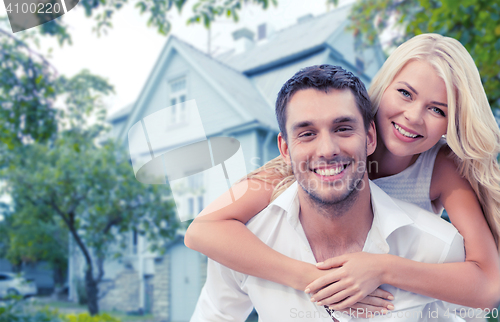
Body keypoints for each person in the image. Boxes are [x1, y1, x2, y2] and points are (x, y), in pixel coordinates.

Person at [185, 34, 500, 311]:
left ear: (452, 123)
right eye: (405, 93)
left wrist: (382, 269)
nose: (413, 116)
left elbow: (487, 285)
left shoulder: (441, 167)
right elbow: (203, 229)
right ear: (383, 87)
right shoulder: (315, 158)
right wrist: (314, 279)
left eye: (437, 110)